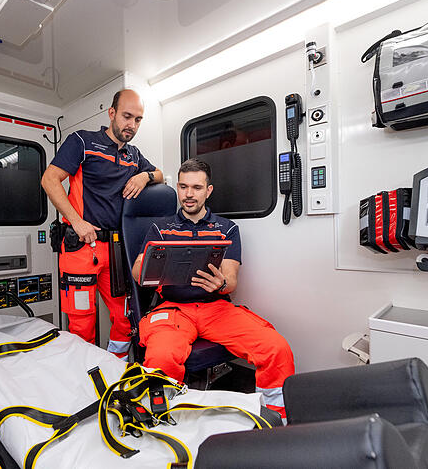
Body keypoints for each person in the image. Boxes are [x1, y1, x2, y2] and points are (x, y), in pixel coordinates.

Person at [131, 158, 295, 417]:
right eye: (183, 187)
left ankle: (276, 418)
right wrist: (151, 266)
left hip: (215, 308)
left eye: (196, 188)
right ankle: (166, 419)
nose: (188, 194)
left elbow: (231, 280)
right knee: (161, 357)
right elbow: (137, 272)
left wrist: (221, 284)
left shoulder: (227, 229)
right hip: (174, 309)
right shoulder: (160, 228)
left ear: (208, 191)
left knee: (276, 348)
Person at [41, 89, 163, 358]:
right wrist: (78, 221)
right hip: (81, 247)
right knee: (82, 323)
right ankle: (81, 377)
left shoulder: (134, 155)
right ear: (112, 114)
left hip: (116, 249)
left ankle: (113, 368)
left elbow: (160, 175)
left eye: (138, 120)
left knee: (124, 319)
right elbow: (49, 180)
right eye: (127, 116)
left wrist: (144, 177)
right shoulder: (82, 142)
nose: (131, 125)